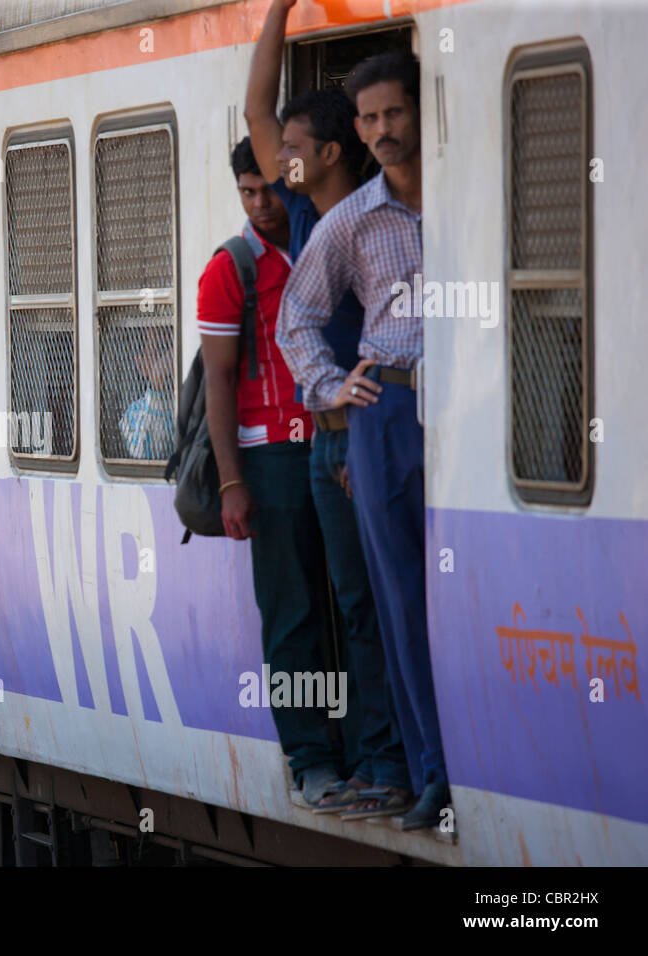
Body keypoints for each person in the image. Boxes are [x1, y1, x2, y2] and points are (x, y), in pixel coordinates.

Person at [246, 0, 411, 819]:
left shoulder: (354, 217)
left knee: (372, 602)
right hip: (329, 439)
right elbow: (256, 110)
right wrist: (277, 11)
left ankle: (387, 762)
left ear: (331, 153)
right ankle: (376, 759)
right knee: (351, 602)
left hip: (360, 438)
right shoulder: (317, 215)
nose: (282, 163)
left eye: (297, 153)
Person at [277, 50, 450, 831]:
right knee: (401, 601)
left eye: (394, 114)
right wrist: (332, 389)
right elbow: (296, 319)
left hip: (472, 414)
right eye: (370, 118)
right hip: (386, 415)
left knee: (464, 596)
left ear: (422, 110)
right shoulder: (352, 219)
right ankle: (431, 776)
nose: (383, 130)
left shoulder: (464, 194)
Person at [200, 138, 343, 806]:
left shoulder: (324, 240)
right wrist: (232, 482)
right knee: (292, 614)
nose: (260, 205)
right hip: (270, 458)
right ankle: (309, 756)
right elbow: (219, 381)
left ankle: (367, 750)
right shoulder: (230, 267)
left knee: (351, 603)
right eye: (247, 193)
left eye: (269, 191)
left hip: (336, 445)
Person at [119, 337, 174, 459]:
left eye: (171, 347)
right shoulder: (132, 414)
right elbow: (144, 453)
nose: (167, 357)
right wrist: (158, 376)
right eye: (161, 348)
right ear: (140, 364)